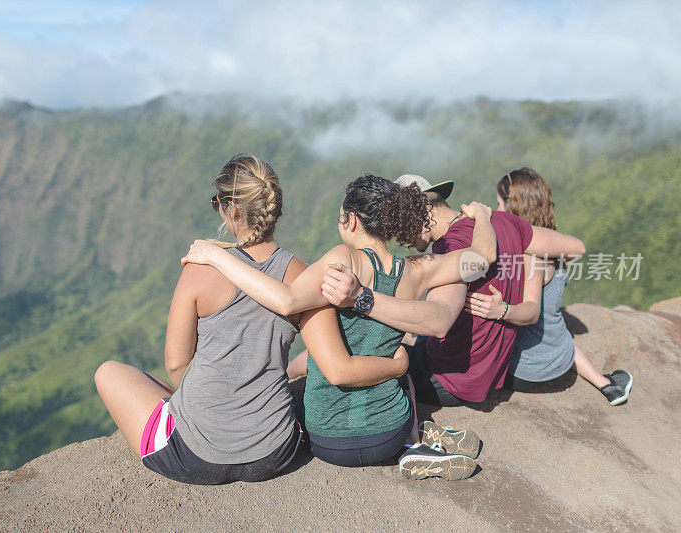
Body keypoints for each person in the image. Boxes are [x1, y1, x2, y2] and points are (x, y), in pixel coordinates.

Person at [95, 155, 410, 485]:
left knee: (108, 372)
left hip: (196, 455)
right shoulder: (304, 277)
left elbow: (176, 364)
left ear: (230, 209)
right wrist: (397, 364)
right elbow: (335, 364)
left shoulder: (200, 270)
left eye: (217, 202)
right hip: (276, 452)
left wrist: (215, 412)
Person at [183, 174, 496, 480]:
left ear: (353, 221)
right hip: (389, 434)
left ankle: (419, 439)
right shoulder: (420, 270)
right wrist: (482, 217)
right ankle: (414, 442)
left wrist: (218, 256)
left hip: (328, 441)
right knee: (401, 358)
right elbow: (483, 257)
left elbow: (288, 300)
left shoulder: (344, 259)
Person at [318, 173, 588, 408]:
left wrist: (361, 297)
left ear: (422, 210)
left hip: (451, 379)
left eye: (402, 222)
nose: (401, 236)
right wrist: (538, 275)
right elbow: (575, 248)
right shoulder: (504, 221)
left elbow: (439, 321)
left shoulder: (450, 248)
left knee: (374, 351)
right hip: (494, 370)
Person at [463, 167, 633, 405]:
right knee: (557, 327)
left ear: (515, 207)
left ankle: (606, 384)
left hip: (522, 372)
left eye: (501, 203)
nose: (498, 210)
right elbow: (575, 252)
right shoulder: (552, 247)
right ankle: (606, 385)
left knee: (550, 324)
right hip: (560, 360)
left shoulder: (526, 257)